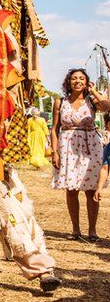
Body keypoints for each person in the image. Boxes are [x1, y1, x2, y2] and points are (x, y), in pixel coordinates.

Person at [51, 68, 110, 241]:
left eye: (81, 78)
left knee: (91, 189)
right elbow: (54, 129)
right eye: (74, 78)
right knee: (71, 190)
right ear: (68, 81)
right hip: (68, 147)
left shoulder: (91, 101)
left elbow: (108, 107)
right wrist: (55, 152)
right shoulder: (60, 102)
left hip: (90, 146)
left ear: (86, 82)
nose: (78, 81)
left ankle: (92, 231)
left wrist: (94, 91)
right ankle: (75, 230)